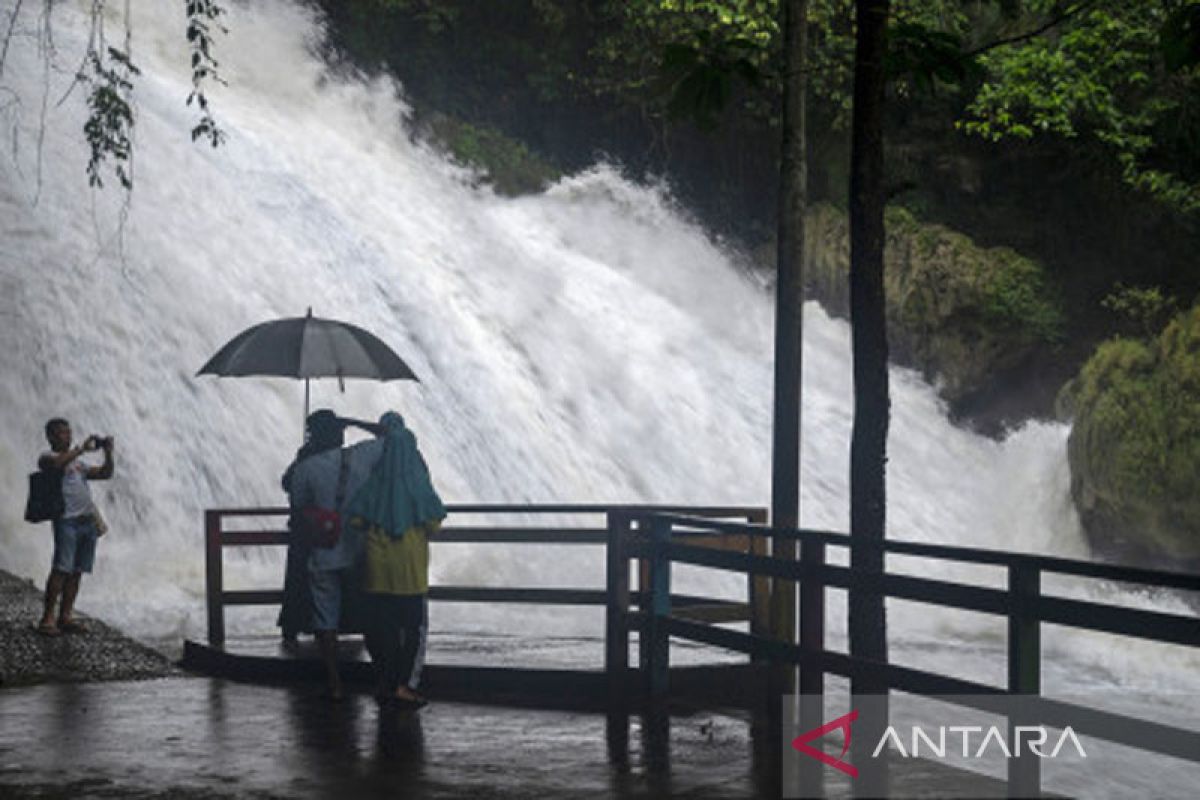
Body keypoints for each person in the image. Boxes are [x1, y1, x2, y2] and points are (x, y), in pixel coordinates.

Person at [285, 410, 390, 699]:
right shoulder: (361, 455)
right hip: (360, 549)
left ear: (312, 436)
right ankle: (382, 678)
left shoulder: (305, 468)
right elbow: (392, 436)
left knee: (325, 616)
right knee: (370, 616)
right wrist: (355, 420)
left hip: (323, 549)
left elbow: (297, 505)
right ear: (340, 434)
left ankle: (334, 682)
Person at [345, 411, 445, 710]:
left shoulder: (375, 483)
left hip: (378, 572)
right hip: (410, 571)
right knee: (411, 630)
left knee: (383, 630)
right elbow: (434, 523)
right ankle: (403, 685)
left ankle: (386, 683)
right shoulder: (419, 484)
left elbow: (357, 519)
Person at [36, 418, 114, 636]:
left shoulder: (80, 465)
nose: (68, 437)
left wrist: (108, 453)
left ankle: (65, 616)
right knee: (61, 569)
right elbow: (57, 465)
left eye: (69, 433)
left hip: (86, 522)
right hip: (66, 521)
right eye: (62, 433)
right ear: (50, 437)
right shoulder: (47, 458)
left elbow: (106, 474)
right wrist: (81, 449)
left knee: (77, 572)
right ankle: (47, 618)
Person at [277, 410, 346, 642]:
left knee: (298, 580)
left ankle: (295, 627)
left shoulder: (306, 457)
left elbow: (288, 485)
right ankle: (329, 630)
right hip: (335, 530)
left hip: (305, 530)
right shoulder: (342, 458)